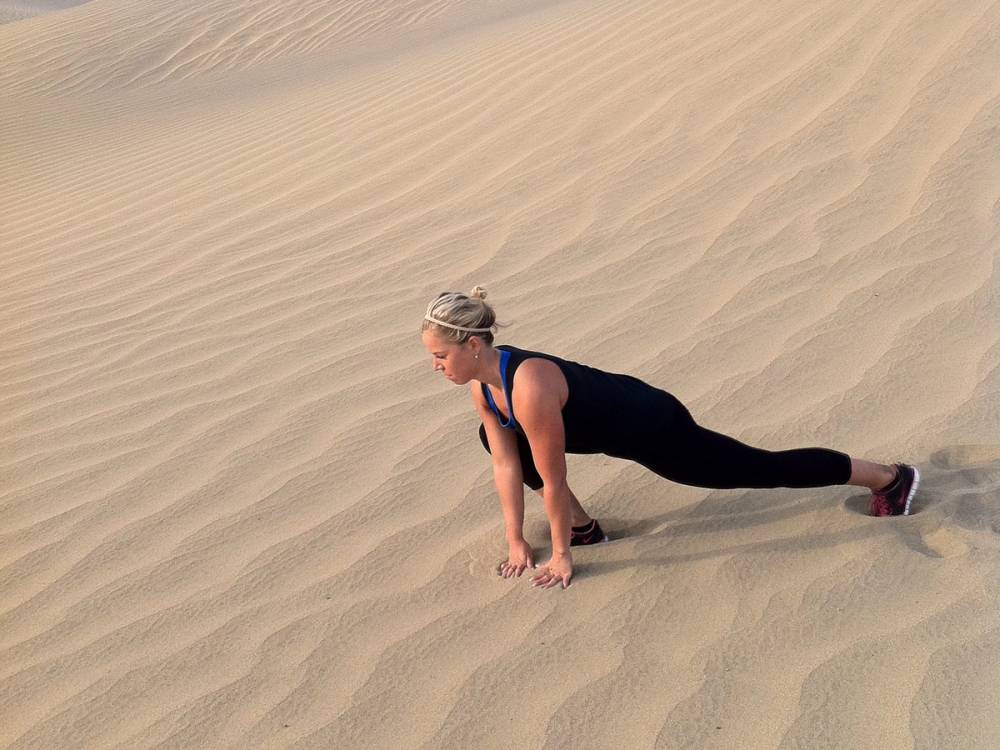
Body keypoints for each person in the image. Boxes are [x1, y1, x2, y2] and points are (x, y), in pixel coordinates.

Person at [421, 287, 920, 590]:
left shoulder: (527, 384)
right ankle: (583, 527)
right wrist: (514, 540)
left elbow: (552, 478)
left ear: (472, 345)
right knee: (495, 442)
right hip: (603, 429)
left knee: (755, 469)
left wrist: (559, 558)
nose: (436, 366)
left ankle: (888, 478)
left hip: (649, 423)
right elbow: (508, 465)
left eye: (440, 356)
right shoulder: (485, 390)